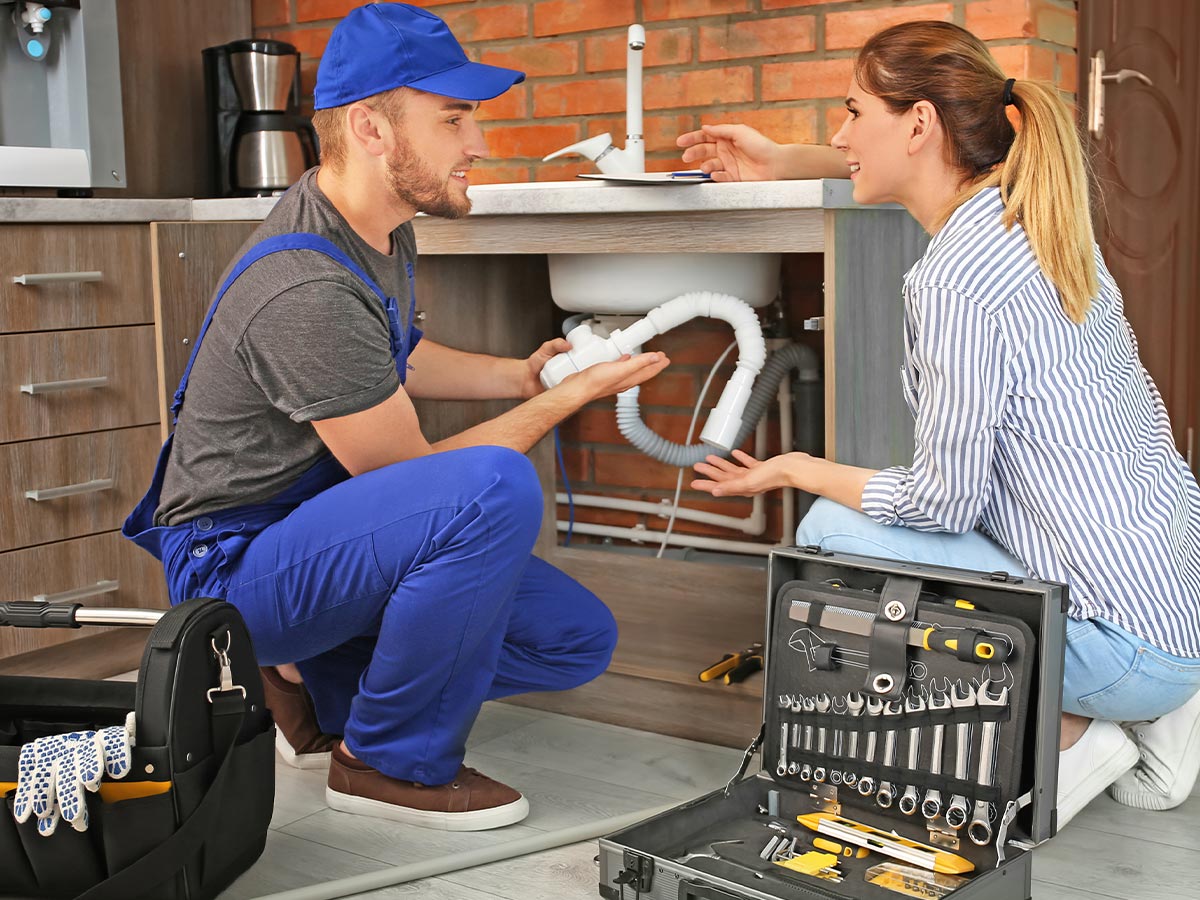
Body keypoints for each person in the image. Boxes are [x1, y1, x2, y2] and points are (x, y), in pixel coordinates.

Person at [123, 2, 669, 832]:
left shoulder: (376, 229)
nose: (476, 145)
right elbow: (411, 477)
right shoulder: (306, 282)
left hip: (308, 532)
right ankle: (386, 759)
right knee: (490, 488)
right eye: (453, 120)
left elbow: (394, 356)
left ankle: (306, 673)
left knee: (573, 638)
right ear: (372, 128)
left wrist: (521, 375)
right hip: (231, 570)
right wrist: (565, 401)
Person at [679, 20, 1200, 827]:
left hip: (1119, 644)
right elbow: (897, 161)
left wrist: (796, 466)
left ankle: (1075, 733)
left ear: (919, 124)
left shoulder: (954, 280)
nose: (840, 135)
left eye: (852, 114)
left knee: (828, 529)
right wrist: (788, 162)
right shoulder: (1040, 217)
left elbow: (945, 505)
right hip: (1172, 601)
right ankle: (1161, 713)